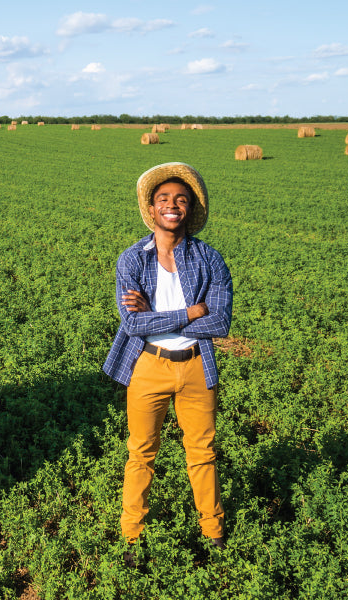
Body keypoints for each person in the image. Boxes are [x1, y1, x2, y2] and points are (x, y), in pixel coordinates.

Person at [101, 162, 232, 550]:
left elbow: (221, 322)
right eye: (163, 199)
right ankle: (132, 535)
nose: (172, 205)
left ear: (189, 208)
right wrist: (192, 312)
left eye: (181, 199)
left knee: (203, 453)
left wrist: (156, 318)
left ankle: (214, 532)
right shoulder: (132, 260)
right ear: (152, 209)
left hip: (196, 366)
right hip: (147, 367)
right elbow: (132, 324)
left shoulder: (211, 259)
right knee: (140, 453)